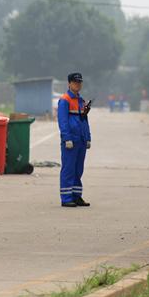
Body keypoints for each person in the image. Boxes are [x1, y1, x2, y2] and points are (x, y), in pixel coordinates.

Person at [58, 72, 92, 207]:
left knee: (78, 169)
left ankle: (77, 196)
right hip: (70, 141)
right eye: (75, 82)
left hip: (81, 140)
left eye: (80, 82)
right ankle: (66, 198)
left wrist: (88, 137)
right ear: (69, 83)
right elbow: (63, 121)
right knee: (68, 169)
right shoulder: (64, 100)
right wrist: (67, 138)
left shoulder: (81, 101)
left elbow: (85, 120)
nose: (78, 84)